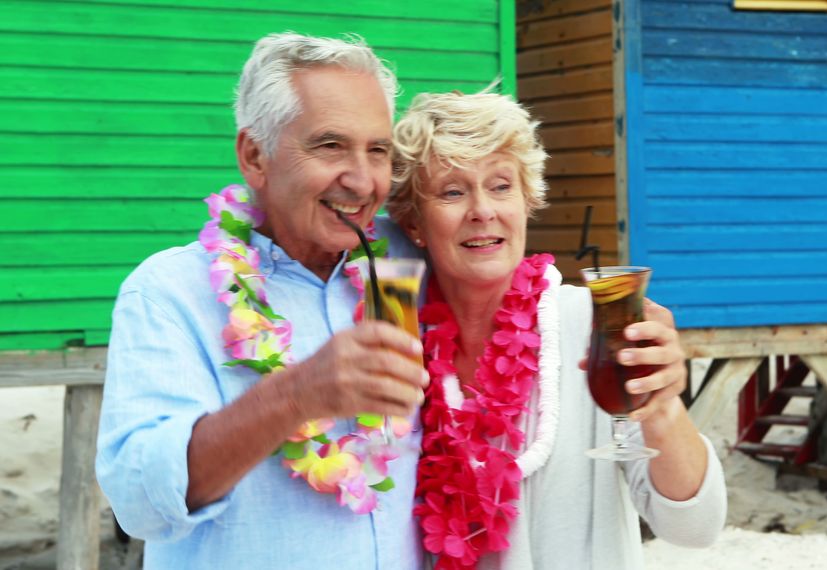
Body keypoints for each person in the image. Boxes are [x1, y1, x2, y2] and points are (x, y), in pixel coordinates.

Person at [95, 32, 695, 570]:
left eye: (378, 151)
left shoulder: (399, 267)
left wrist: (623, 330)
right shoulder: (170, 292)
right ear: (254, 155)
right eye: (330, 146)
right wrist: (295, 395)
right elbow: (140, 503)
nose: (361, 180)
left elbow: (487, 250)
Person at [387, 91, 726, 569]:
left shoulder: (597, 326)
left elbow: (695, 527)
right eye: (452, 191)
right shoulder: (399, 340)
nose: (482, 210)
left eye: (501, 185)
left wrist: (663, 408)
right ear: (414, 223)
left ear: (527, 201)